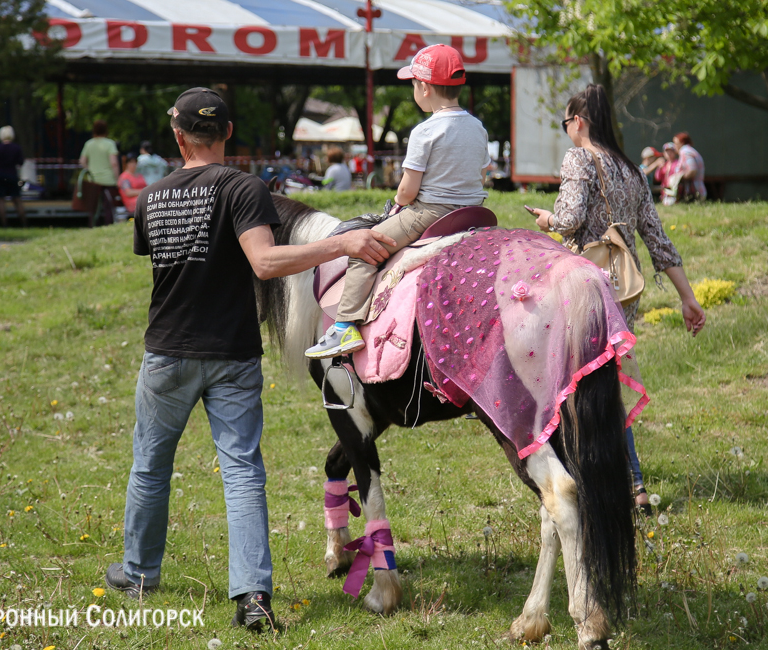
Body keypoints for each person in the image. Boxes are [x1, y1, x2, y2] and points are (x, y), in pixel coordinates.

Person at [103, 88, 394, 631]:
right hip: (232, 353)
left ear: (177, 135)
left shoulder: (152, 197)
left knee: (150, 465)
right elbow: (263, 262)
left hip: (166, 351)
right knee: (241, 474)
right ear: (229, 133)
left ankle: (139, 573)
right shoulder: (243, 189)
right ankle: (253, 598)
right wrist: (343, 244)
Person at [525, 84, 706, 514]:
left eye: (566, 122)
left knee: (572, 389)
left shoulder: (579, 159)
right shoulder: (630, 169)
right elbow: (657, 238)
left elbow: (569, 220)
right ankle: (634, 485)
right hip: (624, 292)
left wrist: (547, 218)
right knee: (603, 388)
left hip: (582, 289)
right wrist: (688, 297)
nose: (567, 130)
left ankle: (583, 481)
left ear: (580, 122)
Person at [306, 44, 490, 359]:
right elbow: (482, 175)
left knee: (364, 249)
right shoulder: (477, 127)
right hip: (475, 213)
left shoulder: (426, 131)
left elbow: (406, 193)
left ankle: (344, 326)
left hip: (428, 214)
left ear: (425, 87)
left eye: (413, 84)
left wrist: (399, 197)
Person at [79, 119, 120, 227]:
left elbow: (82, 161)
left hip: (94, 180)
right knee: (109, 206)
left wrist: (90, 169)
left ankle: (92, 225)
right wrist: (117, 179)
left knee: (94, 206)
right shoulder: (110, 144)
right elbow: (114, 163)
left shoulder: (89, 144)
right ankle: (109, 225)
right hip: (109, 180)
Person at [0, 126, 26, 227]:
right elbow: (21, 162)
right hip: (11, 174)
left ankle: (4, 224)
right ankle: (24, 223)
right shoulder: (16, 148)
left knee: (1, 200)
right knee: (17, 199)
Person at [674, 132, 706, 200]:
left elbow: (692, 171)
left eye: (676, 143)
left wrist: (679, 178)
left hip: (694, 193)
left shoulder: (685, 152)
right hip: (698, 190)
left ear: (682, 143)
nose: (674, 146)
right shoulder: (690, 150)